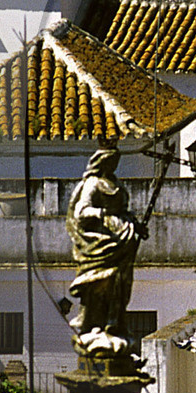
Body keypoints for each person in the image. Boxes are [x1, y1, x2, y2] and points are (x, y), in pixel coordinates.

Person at [66, 146, 145, 362]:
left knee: (121, 284)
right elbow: (81, 212)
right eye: (111, 162)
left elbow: (124, 210)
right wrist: (104, 214)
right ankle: (95, 325)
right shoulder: (92, 183)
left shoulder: (115, 183)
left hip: (124, 245)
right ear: (101, 162)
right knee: (102, 284)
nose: (114, 166)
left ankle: (115, 324)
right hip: (102, 246)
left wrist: (135, 225)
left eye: (116, 162)